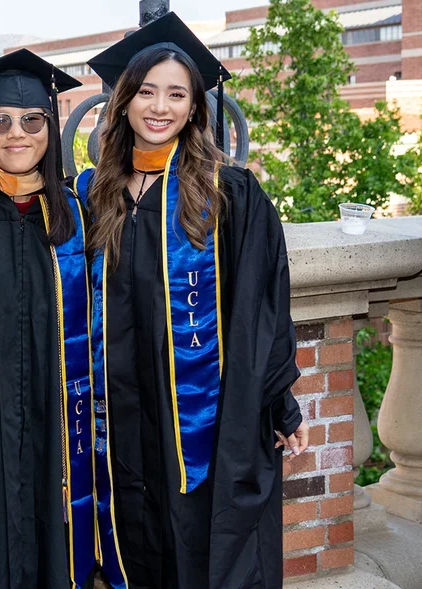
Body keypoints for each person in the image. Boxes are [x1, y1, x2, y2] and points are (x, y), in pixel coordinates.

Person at [76, 13, 309, 589]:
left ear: (194, 107)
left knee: (202, 541)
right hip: (123, 411)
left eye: (177, 94)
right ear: (123, 102)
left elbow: (262, 304)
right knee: (136, 534)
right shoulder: (95, 193)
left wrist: (279, 403)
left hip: (202, 416)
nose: (160, 106)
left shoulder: (228, 193)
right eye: (147, 91)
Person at [0, 50, 117, 589]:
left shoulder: (79, 215)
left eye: (32, 121)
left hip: (58, 415)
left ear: (51, 128)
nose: (16, 133)